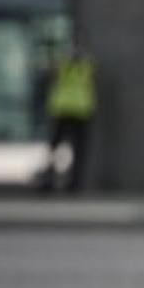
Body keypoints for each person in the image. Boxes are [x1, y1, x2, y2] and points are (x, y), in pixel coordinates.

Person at [39, 36, 96, 192]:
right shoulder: (67, 65)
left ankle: (70, 182)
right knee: (57, 148)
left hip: (73, 111)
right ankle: (51, 179)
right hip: (70, 110)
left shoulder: (81, 66)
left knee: (71, 149)